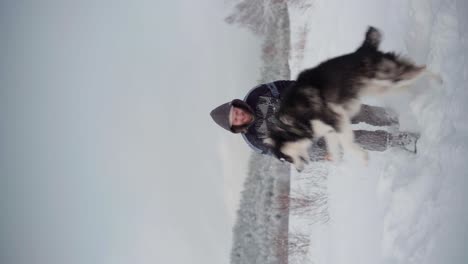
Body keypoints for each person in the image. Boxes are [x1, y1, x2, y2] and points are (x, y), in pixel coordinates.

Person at [210, 80, 418, 161]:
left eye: (235, 112)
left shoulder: (257, 94)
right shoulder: (255, 140)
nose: (239, 116)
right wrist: (320, 154)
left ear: (236, 106)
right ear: (235, 127)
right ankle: (396, 140)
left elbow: (289, 86)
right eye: (235, 120)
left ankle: (393, 117)